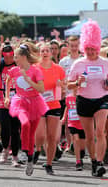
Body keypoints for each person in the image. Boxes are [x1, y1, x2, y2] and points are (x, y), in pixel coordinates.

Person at [67, 20, 108, 177]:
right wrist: (77, 83)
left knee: (100, 132)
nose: (90, 52)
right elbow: (69, 85)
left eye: (93, 49)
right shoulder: (78, 63)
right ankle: (93, 162)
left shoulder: (105, 63)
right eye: (88, 49)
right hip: (83, 100)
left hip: (102, 100)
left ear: (98, 48)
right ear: (84, 48)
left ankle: (99, 162)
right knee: (89, 136)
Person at [5, 43, 48, 176]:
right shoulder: (14, 70)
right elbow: (7, 80)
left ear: (23, 57)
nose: (14, 59)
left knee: (31, 133)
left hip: (35, 102)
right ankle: (24, 152)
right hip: (20, 101)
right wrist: (7, 97)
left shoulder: (35, 70)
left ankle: (30, 158)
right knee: (24, 123)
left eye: (16, 57)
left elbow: (41, 89)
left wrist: (28, 80)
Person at [0, 42, 22, 166]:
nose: (8, 59)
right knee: (4, 125)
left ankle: (15, 156)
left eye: (11, 55)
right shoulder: (0, 64)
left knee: (15, 127)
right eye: (5, 56)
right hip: (0, 97)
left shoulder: (17, 64)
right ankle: (4, 150)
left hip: (16, 96)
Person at [35, 43, 65, 175]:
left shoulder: (58, 69)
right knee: (41, 135)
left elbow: (64, 88)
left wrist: (61, 85)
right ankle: (37, 149)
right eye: (43, 51)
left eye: (47, 50)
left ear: (52, 53)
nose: (45, 53)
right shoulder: (35, 68)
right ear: (39, 53)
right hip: (39, 104)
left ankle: (49, 163)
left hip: (54, 104)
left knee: (52, 137)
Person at [61, 88, 86, 171]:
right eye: (74, 88)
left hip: (83, 124)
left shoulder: (84, 97)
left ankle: (81, 155)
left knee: (82, 146)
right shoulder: (68, 97)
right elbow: (67, 107)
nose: (76, 89)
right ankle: (78, 161)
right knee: (76, 139)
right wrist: (64, 118)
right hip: (72, 122)